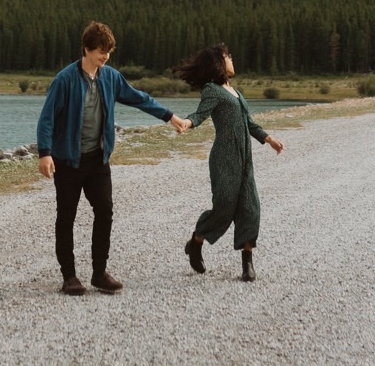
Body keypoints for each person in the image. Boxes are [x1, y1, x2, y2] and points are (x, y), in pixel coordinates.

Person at [37, 20, 189, 296]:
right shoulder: (65, 80)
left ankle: (99, 273)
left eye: (108, 51)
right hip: (68, 162)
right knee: (66, 218)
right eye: (100, 51)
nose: (105, 56)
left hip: (98, 160)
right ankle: (69, 277)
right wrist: (45, 153)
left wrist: (171, 117)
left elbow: (139, 98)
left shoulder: (110, 77)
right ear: (86, 49)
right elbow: (47, 118)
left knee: (105, 211)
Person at [173, 42, 284, 282]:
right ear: (218, 62)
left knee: (250, 207)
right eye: (228, 56)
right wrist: (186, 123)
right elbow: (200, 114)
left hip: (245, 157)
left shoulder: (236, 92)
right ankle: (196, 241)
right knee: (224, 205)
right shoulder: (212, 90)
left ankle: (247, 263)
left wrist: (269, 138)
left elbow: (250, 123)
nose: (232, 59)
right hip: (224, 157)